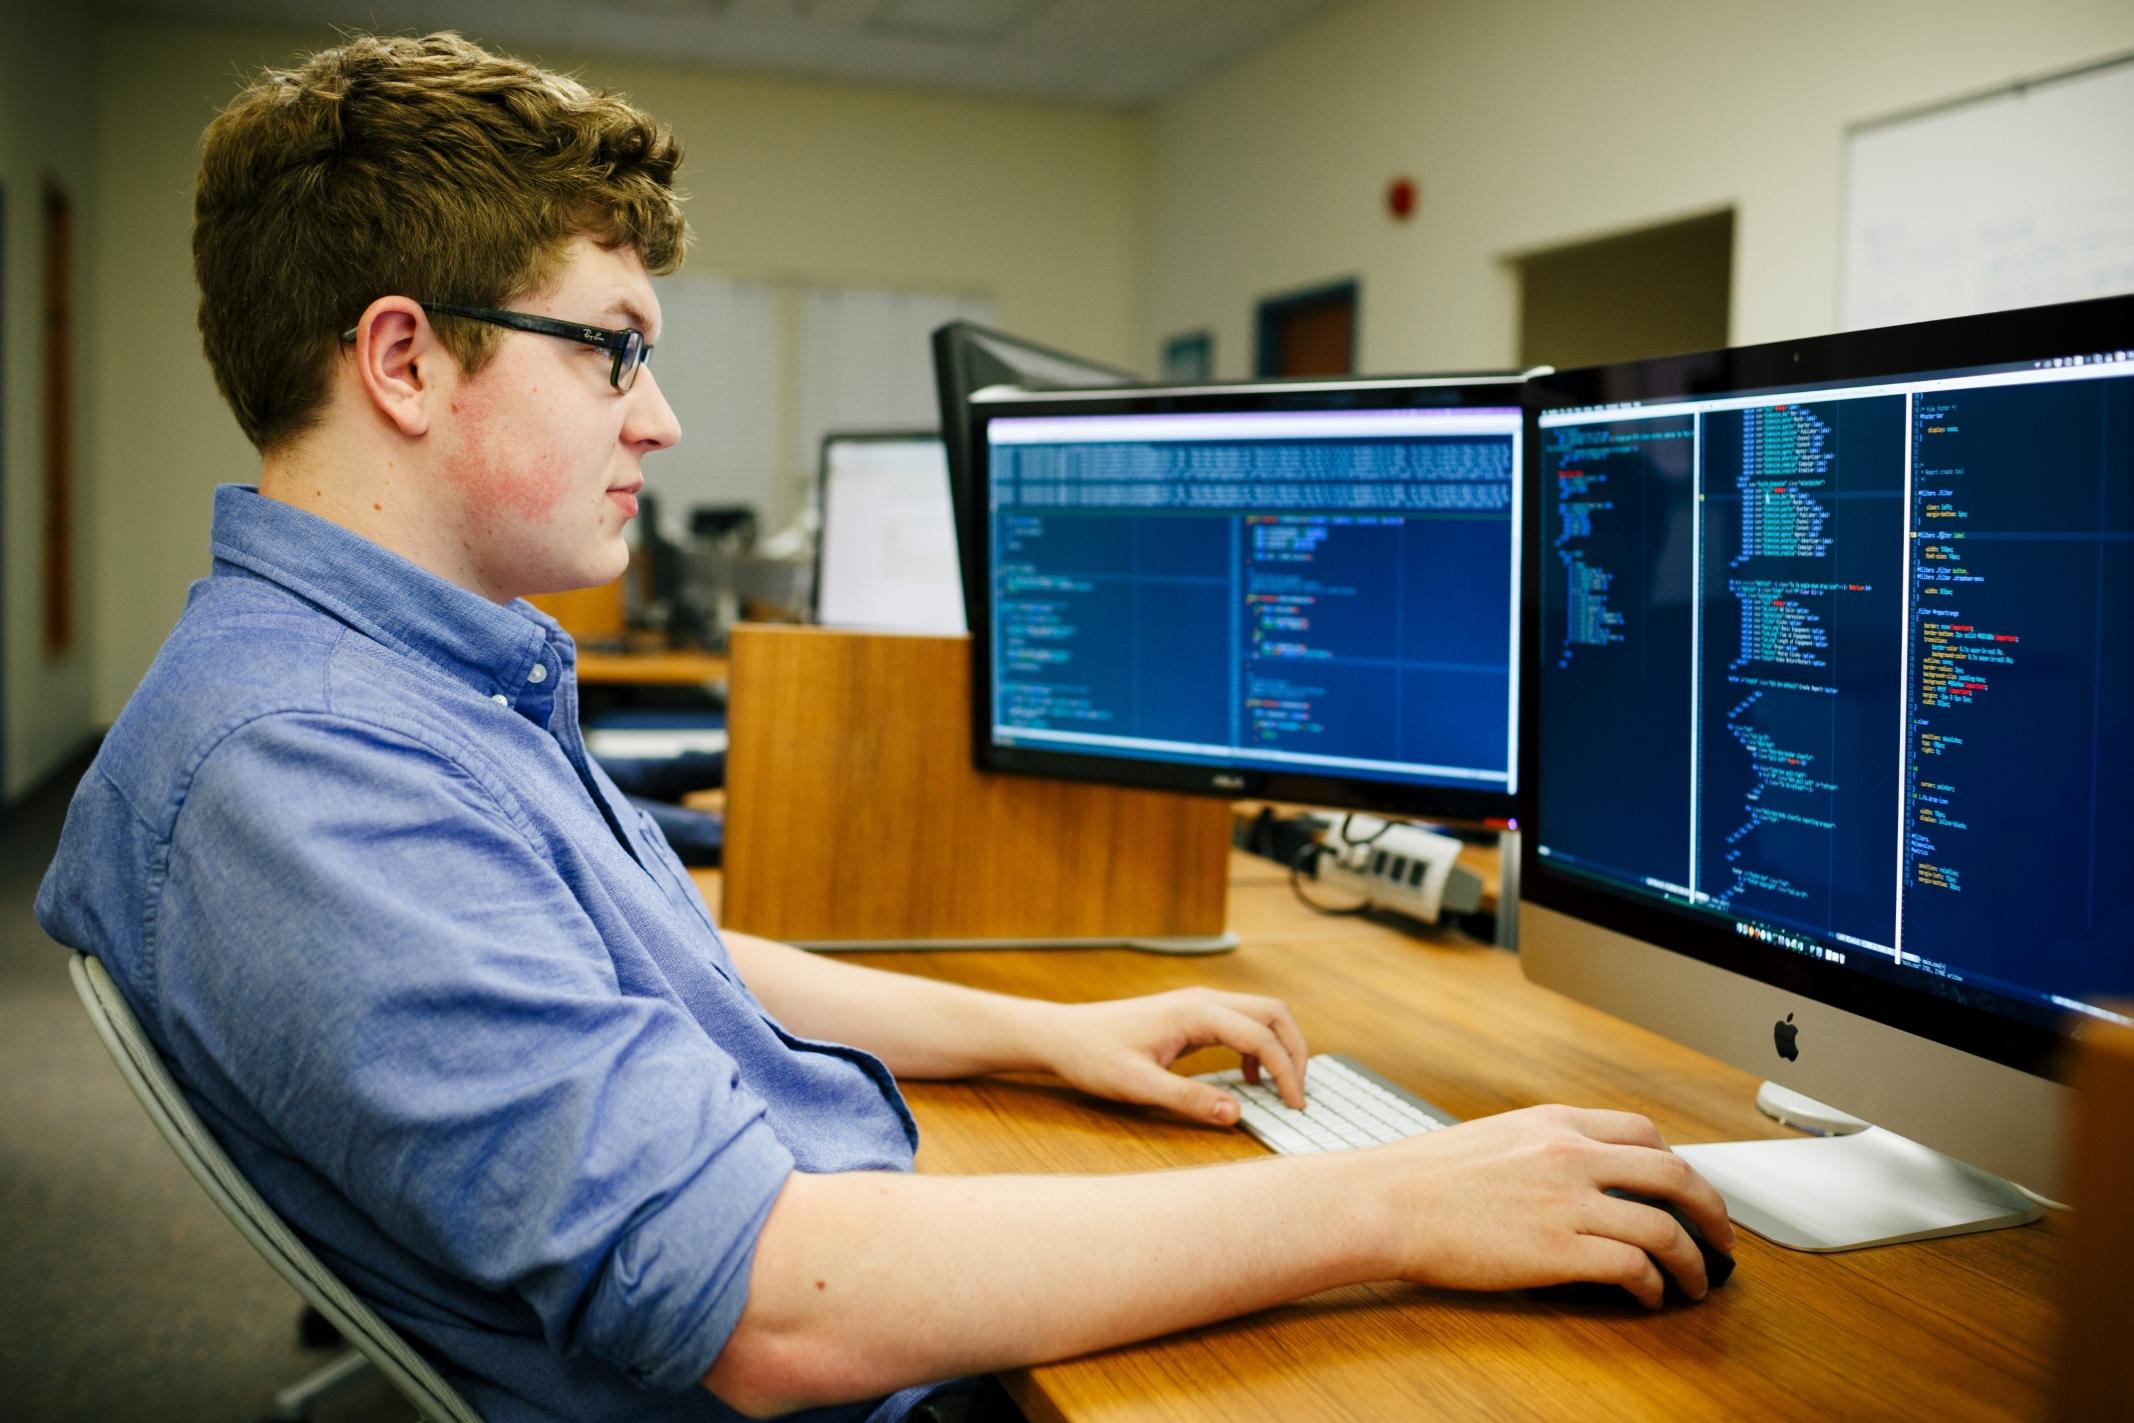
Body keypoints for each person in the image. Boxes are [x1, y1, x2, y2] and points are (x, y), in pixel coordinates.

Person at [36, 31, 1733, 1423]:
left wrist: (1039, 1035)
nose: (662, 417)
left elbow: (672, 947)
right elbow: (766, 1308)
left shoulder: (411, 676)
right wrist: (1393, 1202)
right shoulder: (303, 763)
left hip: (862, 1264)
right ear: (404, 362)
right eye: (612, 352)